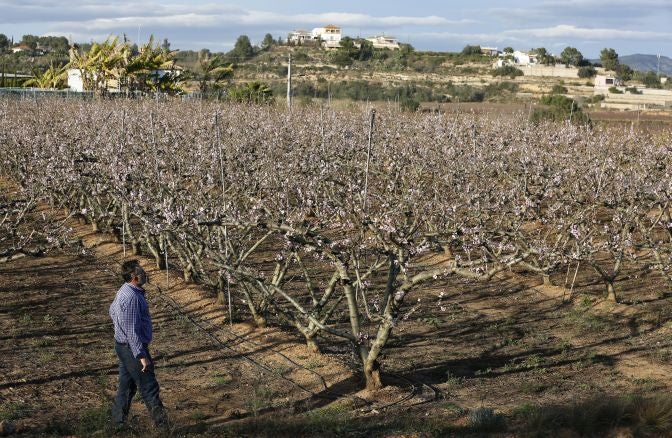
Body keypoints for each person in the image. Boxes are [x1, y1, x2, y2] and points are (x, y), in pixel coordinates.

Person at [109, 259, 168, 429]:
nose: (145, 274)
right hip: (132, 348)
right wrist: (141, 356)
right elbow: (131, 330)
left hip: (123, 346)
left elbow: (112, 310)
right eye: (142, 272)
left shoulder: (124, 290)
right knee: (149, 386)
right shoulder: (132, 297)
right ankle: (164, 427)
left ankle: (118, 425)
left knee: (126, 387)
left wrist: (119, 327)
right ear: (134, 277)